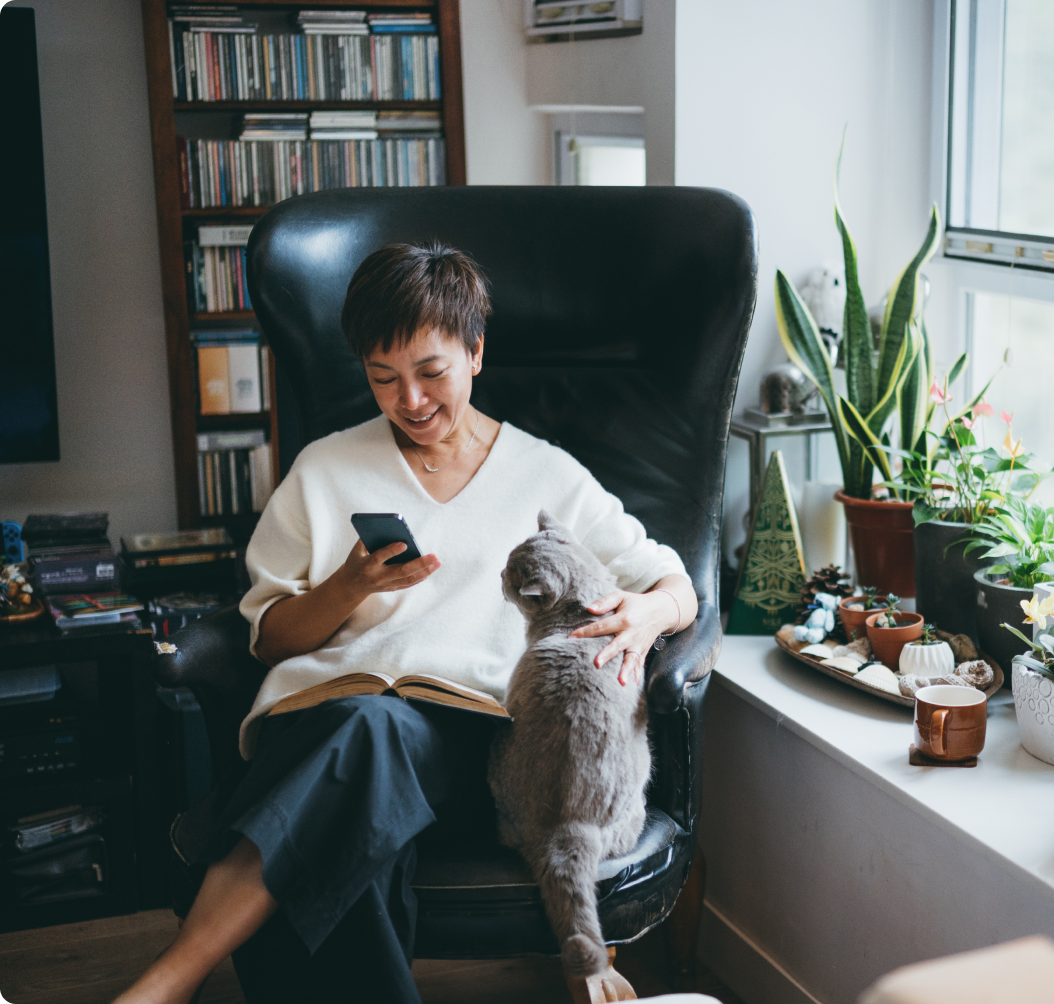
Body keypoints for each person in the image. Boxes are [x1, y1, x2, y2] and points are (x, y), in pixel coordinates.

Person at [116, 242, 697, 1004]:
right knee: (362, 800)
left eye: (431, 373)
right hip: (322, 721)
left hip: (471, 741)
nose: (411, 400)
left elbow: (673, 580)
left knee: (371, 741)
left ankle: (172, 977)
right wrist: (349, 585)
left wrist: (649, 613)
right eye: (383, 378)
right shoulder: (324, 469)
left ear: (476, 352)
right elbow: (269, 638)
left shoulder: (545, 474)